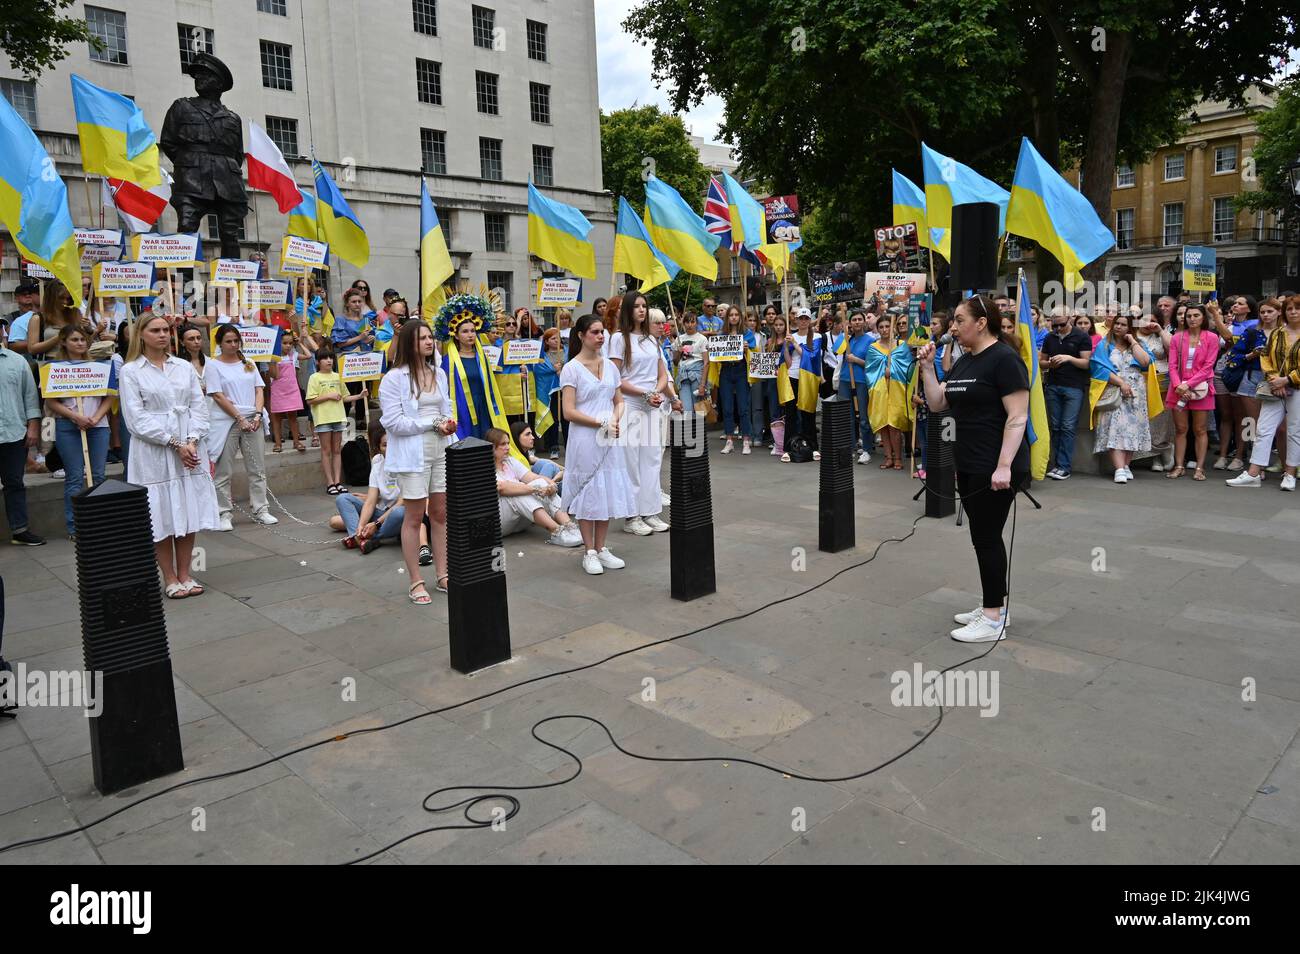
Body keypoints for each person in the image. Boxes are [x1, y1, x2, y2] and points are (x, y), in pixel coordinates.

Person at [917, 294, 1029, 643]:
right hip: (968, 461)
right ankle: (993, 606)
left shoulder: (1004, 360)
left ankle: (994, 618)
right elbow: (937, 403)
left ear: (982, 323)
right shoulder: (965, 361)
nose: (953, 326)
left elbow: (1018, 416)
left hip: (994, 465)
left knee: (986, 537)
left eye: (960, 320)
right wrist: (926, 367)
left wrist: (1004, 466)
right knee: (983, 537)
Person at [119, 313, 220, 598]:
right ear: (141, 334)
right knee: (161, 513)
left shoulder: (183, 367)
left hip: (189, 444)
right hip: (155, 449)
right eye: (155, 330)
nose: (162, 335)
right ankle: (170, 576)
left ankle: (186, 572)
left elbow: (199, 406)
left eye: (165, 330)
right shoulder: (131, 371)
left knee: (187, 509)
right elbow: (135, 418)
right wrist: (173, 442)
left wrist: (192, 439)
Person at [378, 319, 457, 603]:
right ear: (410, 343)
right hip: (413, 452)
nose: (428, 342)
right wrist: (432, 423)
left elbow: (446, 408)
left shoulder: (439, 373)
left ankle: (444, 573)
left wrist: (448, 424)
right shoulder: (394, 378)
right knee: (413, 517)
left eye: (430, 337)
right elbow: (394, 422)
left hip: (441, 449)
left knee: (440, 513)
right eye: (422, 338)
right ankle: (415, 580)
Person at [560, 314, 636, 574]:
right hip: (584, 437)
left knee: (606, 489)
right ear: (581, 335)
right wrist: (599, 423)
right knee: (587, 490)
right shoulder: (571, 368)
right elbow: (568, 411)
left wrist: (614, 421)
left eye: (602, 331)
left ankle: (602, 548)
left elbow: (619, 400)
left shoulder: (611, 367)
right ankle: (589, 551)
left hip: (608, 436)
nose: (601, 336)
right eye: (595, 332)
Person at [609, 292, 677, 534]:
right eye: (636, 306)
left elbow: (662, 374)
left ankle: (650, 511)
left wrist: (657, 392)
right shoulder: (618, 338)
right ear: (628, 310)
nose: (641, 310)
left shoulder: (651, 340)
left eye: (644, 306)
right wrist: (644, 393)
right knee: (631, 462)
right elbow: (615, 377)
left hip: (651, 404)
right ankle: (631, 516)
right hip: (630, 404)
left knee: (652, 459)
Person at [45, 324, 114, 538]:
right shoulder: (53, 367)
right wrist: (75, 416)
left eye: (83, 339)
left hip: (97, 425)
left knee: (99, 475)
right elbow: (51, 401)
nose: (80, 343)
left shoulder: (100, 366)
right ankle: (75, 526)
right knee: (74, 477)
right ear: (64, 341)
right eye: (74, 339)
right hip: (68, 425)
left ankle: (100, 523)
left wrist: (94, 418)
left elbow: (110, 397)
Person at [206, 323, 277, 529]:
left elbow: (259, 390)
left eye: (236, 341)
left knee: (257, 468)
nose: (233, 345)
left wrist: (256, 415)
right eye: (228, 341)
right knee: (224, 470)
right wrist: (239, 418)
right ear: (220, 343)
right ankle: (224, 512)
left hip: (252, 418)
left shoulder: (249, 362)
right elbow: (217, 395)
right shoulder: (213, 365)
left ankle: (261, 508)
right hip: (227, 420)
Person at [1226, 293, 1300, 491]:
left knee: (1293, 431)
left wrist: (1288, 379)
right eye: (1290, 309)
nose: (1293, 312)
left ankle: (1290, 474)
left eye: (1297, 308)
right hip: (1273, 386)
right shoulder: (1277, 333)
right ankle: (1253, 473)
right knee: (1263, 429)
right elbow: (1266, 358)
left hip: (1297, 387)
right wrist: (1275, 379)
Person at [487, 427, 582, 546]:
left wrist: (551, 485)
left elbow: (533, 477)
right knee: (519, 492)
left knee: (540, 483)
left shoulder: (509, 461)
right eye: (503, 444)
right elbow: (502, 488)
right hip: (500, 522)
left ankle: (569, 527)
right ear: (492, 446)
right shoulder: (486, 467)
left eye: (508, 443)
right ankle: (557, 532)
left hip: (520, 520)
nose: (508, 447)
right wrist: (535, 489)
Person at [1091, 314, 1153, 483]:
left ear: (1130, 328)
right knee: (1114, 428)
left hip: (1135, 393)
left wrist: (1133, 342)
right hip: (1113, 390)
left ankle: (1126, 465)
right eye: (1117, 323)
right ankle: (1118, 468)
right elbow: (1098, 368)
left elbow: (1146, 362)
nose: (1118, 326)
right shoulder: (1104, 345)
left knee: (1132, 429)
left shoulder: (1139, 344)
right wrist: (1121, 383)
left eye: (1123, 324)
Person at [328, 420, 406, 553]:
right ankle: (360, 536)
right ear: (378, 447)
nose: (390, 449)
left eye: (392, 444)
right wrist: (361, 525)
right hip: (381, 512)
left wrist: (376, 524)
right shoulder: (377, 462)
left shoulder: (405, 463)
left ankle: (366, 537)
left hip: (397, 515)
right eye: (385, 445)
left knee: (399, 513)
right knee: (343, 499)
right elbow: (371, 501)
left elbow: (401, 502)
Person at [0, 316, 44, 545]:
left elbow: (30, 397)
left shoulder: (17, 361)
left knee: (14, 483)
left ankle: (20, 530)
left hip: (12, 432)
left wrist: (34, 426)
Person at [1165, 303, 1218, 480]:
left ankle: (1199, 468)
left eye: (1196, 315)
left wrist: (1189, 384)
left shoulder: (1211, 337)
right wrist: (1178, 385)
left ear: (1203, 318)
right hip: (1178, 388)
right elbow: (1172, 365)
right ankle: (1179, 465)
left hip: (1200, 388)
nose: (1192, 319)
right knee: (1180, 429)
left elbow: (1209, 366)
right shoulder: (1177, 338)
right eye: (1189, 316)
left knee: (1200, 429)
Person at [1040, 309, 1093, 479]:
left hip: (1074, 386)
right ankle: (1057, 465)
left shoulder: (1081, 336)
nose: (1058, 328)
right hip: (1053, 384)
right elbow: (1041, 362)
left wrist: (1068, 358)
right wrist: (1050, 364)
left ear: (1070, 319)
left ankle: (1064, 466)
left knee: (1068, 427)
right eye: (1055, 325)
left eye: (1062, 324)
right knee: (1055, 427)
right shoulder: (1050, 336)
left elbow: (1086, 363)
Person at [862, 313, 915, 470]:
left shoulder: (900, 345)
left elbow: (908, 367)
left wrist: (893, 370)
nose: (884, 329)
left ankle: (898, 458)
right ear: (877, 329)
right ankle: (888, 457)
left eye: (887, 326)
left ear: (892, 328)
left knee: (894, 424)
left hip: (896, 389)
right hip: (879, 390)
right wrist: (881, 371)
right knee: (883, 423)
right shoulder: (873, 347)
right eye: (881, 327)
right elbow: (869, 369)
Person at [306, 345, 361, 493]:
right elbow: (310, 400)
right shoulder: (314, 377)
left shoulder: (337, 376)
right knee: (326, 450)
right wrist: (329, 396)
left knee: (337, 450)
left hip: (338, 417)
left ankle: (338, 481)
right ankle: (330, 483)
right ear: (318, 361)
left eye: (330, 357)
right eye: (324, 358)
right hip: (323, 418)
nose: (329, 360)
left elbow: (344, 397)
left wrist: (360, 396)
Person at [331, 287, 376, 429]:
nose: (357, 304)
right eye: (354, 301)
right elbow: (339, 342)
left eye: (359, 301)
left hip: (365, 359)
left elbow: (369, 339)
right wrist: (360, 337)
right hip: (348, 360)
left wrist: (370, 339)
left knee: (364, 389)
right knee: (348, 390)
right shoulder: (341, 319)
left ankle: (361, 419)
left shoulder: (366, 319)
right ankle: (343, 418)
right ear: (347, 303)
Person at [1135, 311, 1174, 471]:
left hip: (1161, 381)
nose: (1149, 323)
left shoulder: (1161, 335)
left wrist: (1160, 330)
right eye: (1145, 320)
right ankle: (1152, 456)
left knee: (1160, 418)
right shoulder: (1131, 336)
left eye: (1153, 320)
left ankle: (1162, 451)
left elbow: (1174, 349)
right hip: (1139, 382)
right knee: (1144, 419)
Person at [715, 305, 753, 454]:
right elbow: (716, 357)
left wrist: (747, 349)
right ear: (727, 318)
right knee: (727, 407)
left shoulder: (747, 333)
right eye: (731, 315)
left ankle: (746, 440)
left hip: (741, 370)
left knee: (743, 407)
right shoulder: (721, 334)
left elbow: (755, 351)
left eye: (736, 315)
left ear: (740, 317)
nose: (734, 317)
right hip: (726, 370)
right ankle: (729, 440)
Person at [269, 326, 310, 453]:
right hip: (278, 391)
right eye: (285, 343)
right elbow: (274, 376)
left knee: (293, 417)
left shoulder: (294, 355)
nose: (288, 346)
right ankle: (277, 443)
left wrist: (299, 343)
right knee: (277, 418)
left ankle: (296, 442)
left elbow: (308, 355)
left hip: (292, 391)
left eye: (290, 343)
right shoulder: (273, 358)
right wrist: (274, 361)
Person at [28, 280, 80, 363]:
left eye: (68, 298)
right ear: (51, 297)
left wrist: (91, 331)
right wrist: (60, 336)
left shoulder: (75, 314)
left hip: (75, 364)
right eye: (61, 298)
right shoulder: (38, 318)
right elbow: (32, 349)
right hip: (50, 365)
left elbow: (85, 344)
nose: (65, 302)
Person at [672, 312, 709, 411]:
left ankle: (699, 427)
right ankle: (688, 427)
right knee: (686, 409)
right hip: (683, 376)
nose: (690, 325)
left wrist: (702, 384)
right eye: (687, 322)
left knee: (699, 410)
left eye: (692, 322)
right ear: (683, 324)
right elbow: (675, 362)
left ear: (697, 323)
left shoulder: (702, 339)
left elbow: (706, 362)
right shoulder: (679, 339)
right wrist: (678, 352)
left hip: (697, 376)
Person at [511, 420, 562, 489]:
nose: (533, 437)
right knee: (550, 467)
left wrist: (564, 470)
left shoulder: (523, 455)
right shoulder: (515, 458)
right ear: (516, 437)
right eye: (527, 434)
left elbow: (537, 460)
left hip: (532, 486)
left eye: (531, 434)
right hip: (527, 491)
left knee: (541, 463)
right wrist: (554, 480)